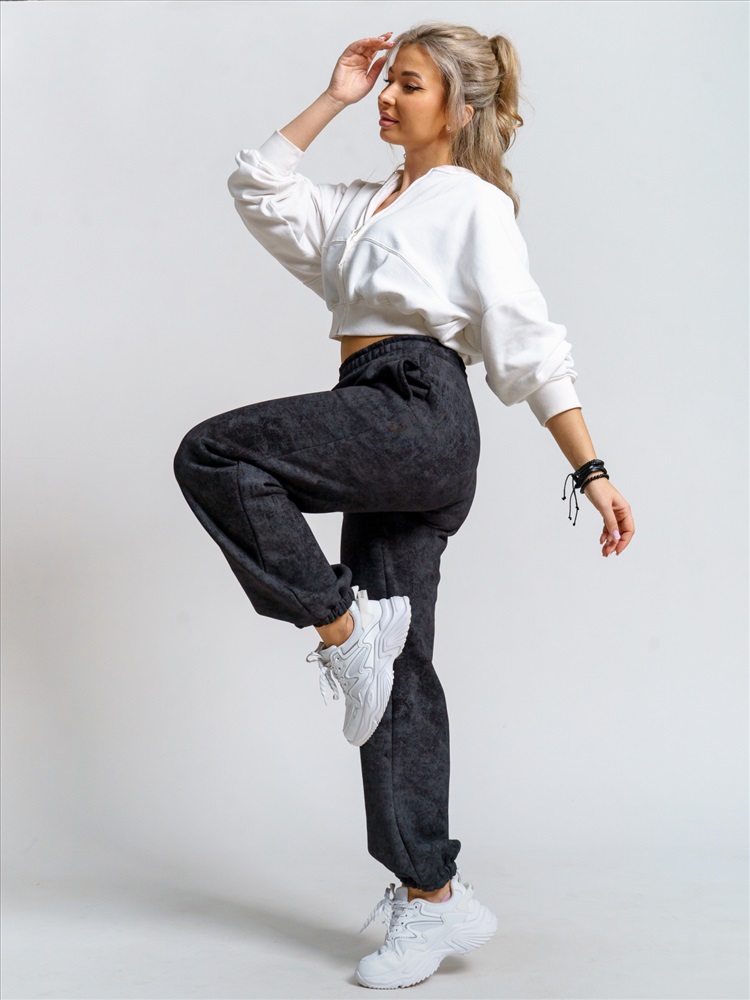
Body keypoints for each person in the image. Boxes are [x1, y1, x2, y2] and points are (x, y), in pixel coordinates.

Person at [173, 21, 635, 990]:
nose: (387, 96)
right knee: (401, 671)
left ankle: (344, 629)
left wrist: (591, 470)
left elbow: (527, 343)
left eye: (408, 84)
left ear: (457, 109)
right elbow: (257, 185)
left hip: (421, 413)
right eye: (387, 82)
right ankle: (432, 894)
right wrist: (333, 95)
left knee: (215, 453)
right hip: (374, 409)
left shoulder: (472, 204)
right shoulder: (360, 206)